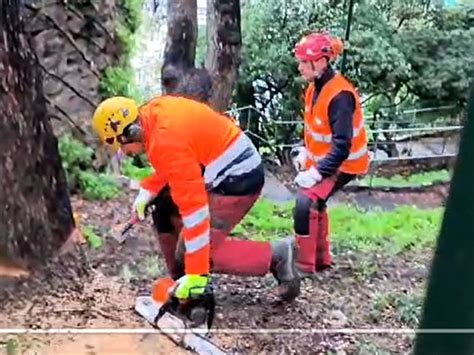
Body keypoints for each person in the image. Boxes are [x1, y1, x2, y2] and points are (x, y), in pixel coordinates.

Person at [91, 94, 301, 302]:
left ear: (131, 133)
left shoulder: (164, 139)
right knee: (163, 208)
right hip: (218, 168)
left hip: (238, 180)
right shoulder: (152, 116)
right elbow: (174, 165)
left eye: (121, 146)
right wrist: (147, 193)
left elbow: (195, 212)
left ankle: (278, 255)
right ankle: (180, 280)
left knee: (194, 252)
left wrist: (196, 274)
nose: (124, 152)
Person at [290, 32, 369, 276]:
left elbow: (342, 146)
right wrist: (307, 152)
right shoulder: (315, 89)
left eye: (305, 62)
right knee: (317, 202)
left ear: (322, 62)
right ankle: (321, 260)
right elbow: (319, 129)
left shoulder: (340, 96)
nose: (300, 66)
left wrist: (316, 173)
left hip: (345, 164)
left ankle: (303, 267)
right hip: (329, 160)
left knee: (306, 204)